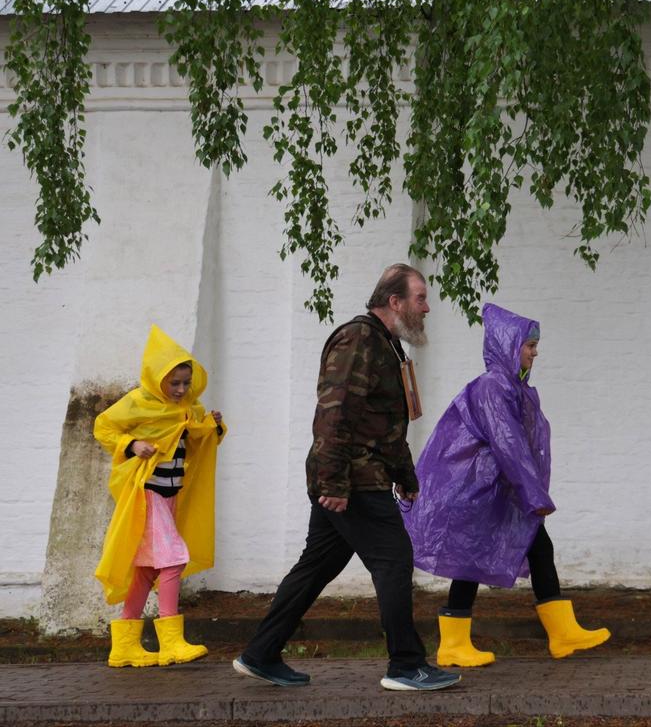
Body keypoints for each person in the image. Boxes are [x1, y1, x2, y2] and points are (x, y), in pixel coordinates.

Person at [233, 264, 460, 692]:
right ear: (395, 301)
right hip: (354, 480)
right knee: (393, 560)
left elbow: (384, 424)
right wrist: (334, 483)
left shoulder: (385, 345)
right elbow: (334, 414)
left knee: (316, 566)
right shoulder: (358, 339)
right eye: (420, 298)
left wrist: (405, 474)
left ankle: (260, 653)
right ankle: (406, 666)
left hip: (358, 475)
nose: (427, 308)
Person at [406, 303, 610, 667]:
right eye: (529, 345)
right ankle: (458, 644)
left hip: (495, 493)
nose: (535, 351)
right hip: (475, 493)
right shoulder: (493, 388)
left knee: (531, 548)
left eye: (535, 345)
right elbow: (509, 443)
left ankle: (560, 633)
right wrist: (533, 494)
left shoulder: (514, 389)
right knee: (471, 561)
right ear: (508, 344)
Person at [94, 324, 226, 668]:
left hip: (170, 495)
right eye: (174, 383)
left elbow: (198, 440)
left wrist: (213, 426)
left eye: (186, 382)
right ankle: (171, 642)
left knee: (146, 571)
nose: (181, 389)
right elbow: (103, 426)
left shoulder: (190, 408)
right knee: (172, 559)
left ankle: (124, 647)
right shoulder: (138, 402)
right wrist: (132, 444)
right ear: (157, 379)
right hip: (147, 494)